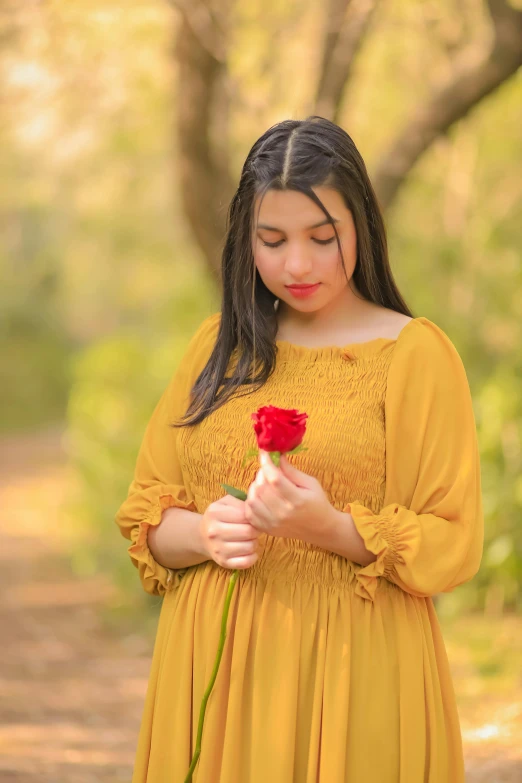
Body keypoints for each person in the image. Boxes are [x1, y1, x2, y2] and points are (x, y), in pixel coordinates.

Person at [115, 115, 484, 782]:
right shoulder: (216, 348)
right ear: (245, 240)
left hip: (355, 673)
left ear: (361, 228)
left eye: (323, 237)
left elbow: (453, 539)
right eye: (273, 239)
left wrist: (334, 529)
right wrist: (202, 532)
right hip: (213, 672)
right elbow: (147, 512)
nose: (298, 264)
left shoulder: (414, 354)